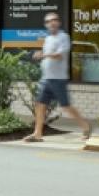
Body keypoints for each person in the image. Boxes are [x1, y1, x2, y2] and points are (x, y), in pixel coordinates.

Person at [23, 12, 89, 142]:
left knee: (66, 106)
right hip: (46, 79)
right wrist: (41, 56)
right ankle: (37, 134)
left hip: (58, 79)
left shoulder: (63, 37)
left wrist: (43, 55)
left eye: (54, 20)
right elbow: (48, 55)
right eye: (48, 21)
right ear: (46, 25)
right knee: (40, 105)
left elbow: (59, 55)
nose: (52, 22)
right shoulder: (48, 39)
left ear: (58, 23)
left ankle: (86, 127)